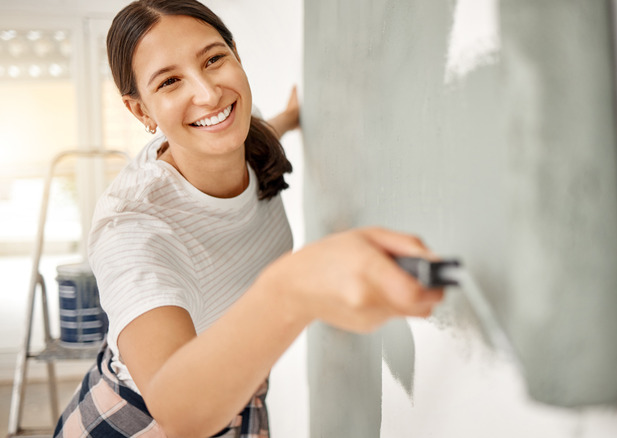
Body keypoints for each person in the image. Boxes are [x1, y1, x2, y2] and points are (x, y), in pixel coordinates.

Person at [53, 1, 444, 437]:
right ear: (141, 111)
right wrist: (293, 287)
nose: (208, 94)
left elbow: (255, 131)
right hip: (136, 423)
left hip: (236, 403)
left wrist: (293, 118)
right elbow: (177, 412)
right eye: (169, 81)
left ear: (236, 54)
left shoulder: (244, 136)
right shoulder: (131, 228)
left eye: (213, 59)